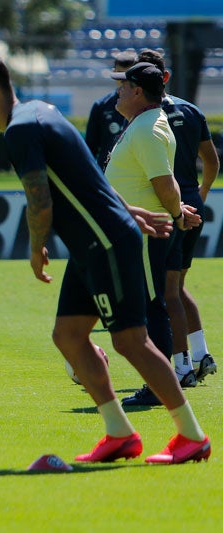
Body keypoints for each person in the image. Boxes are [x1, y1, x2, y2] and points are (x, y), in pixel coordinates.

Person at [0, 50, 210, 464]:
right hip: (94, 241)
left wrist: (35, 246)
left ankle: (192, 436)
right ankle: (119, 433)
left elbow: (40, 202)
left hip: (103, 243)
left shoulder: (19, 131)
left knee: (131, 340)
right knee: (68, 336)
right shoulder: (43, 111)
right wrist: (132, 213)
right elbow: (90, 177)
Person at [104, 62, 194, 405]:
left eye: (123, 85)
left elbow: (163, 182)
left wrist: (176, 213)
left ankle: (160, 386)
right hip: (143, 227)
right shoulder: (144, 124)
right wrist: (179, 211)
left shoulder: (146, 128)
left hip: (146, 231)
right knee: (148, 304)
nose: (118, 90)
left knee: (152, 306)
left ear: (138, 91)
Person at [137, 49, 219, 388]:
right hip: (191, 203)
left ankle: (182, 367)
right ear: (165, 76)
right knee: (178, 287)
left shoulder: (147, 117)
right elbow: (212, 162)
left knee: (165, 292)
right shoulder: (191, 109)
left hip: (166, 208)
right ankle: (200, 355)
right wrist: (200, 195)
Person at [85, 51, 137, 170]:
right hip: (107, 175)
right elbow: (89, 149)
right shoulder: (101, 106)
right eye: (120, 74)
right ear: (114, 73)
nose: (124, 79)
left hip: (136, 175)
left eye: (128, 74)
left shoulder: (145, 105)